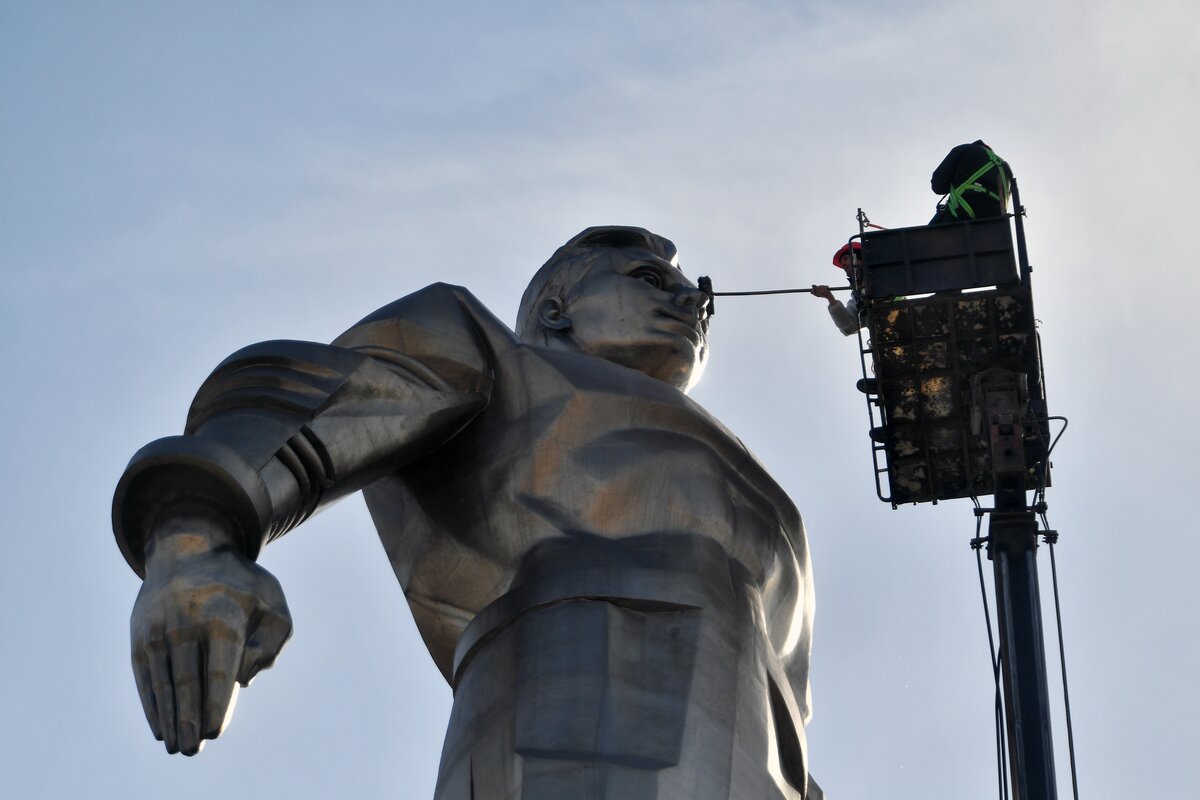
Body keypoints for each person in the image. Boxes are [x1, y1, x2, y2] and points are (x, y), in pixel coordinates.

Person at [113, 226, 823, 800]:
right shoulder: (500, 360)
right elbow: (305, 398)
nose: (689, 302)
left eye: (695, 293)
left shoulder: (761, 500)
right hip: (571, 723)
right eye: (649, 280)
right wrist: (197, 535)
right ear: (555, 310)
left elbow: (784, 692)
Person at [928, 139, 1014, 224]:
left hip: (964, 210)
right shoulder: (1006, 167)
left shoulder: (964, 149)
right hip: (997, 219)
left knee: (924, 236)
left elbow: (937, 185)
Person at [811, 241, 865, 336]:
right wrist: (829, 297)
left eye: (845, 258)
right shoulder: (858, 297)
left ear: (859, 257)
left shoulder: (887, 271)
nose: (843, 264)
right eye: (842, 263)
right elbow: (849, 327)